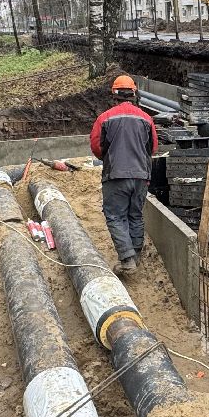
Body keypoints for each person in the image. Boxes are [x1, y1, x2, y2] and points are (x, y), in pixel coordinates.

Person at [89, 75, 158, 275]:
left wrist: (111, 158)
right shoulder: (146, 118)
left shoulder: (104, 118)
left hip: (116, 175)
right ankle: (135, 255)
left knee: (115, 216)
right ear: (134, 94)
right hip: (141, 176)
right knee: (135, 215)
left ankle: (127, 260)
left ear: (114, 95)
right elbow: (152, 147)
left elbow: (96, 147)